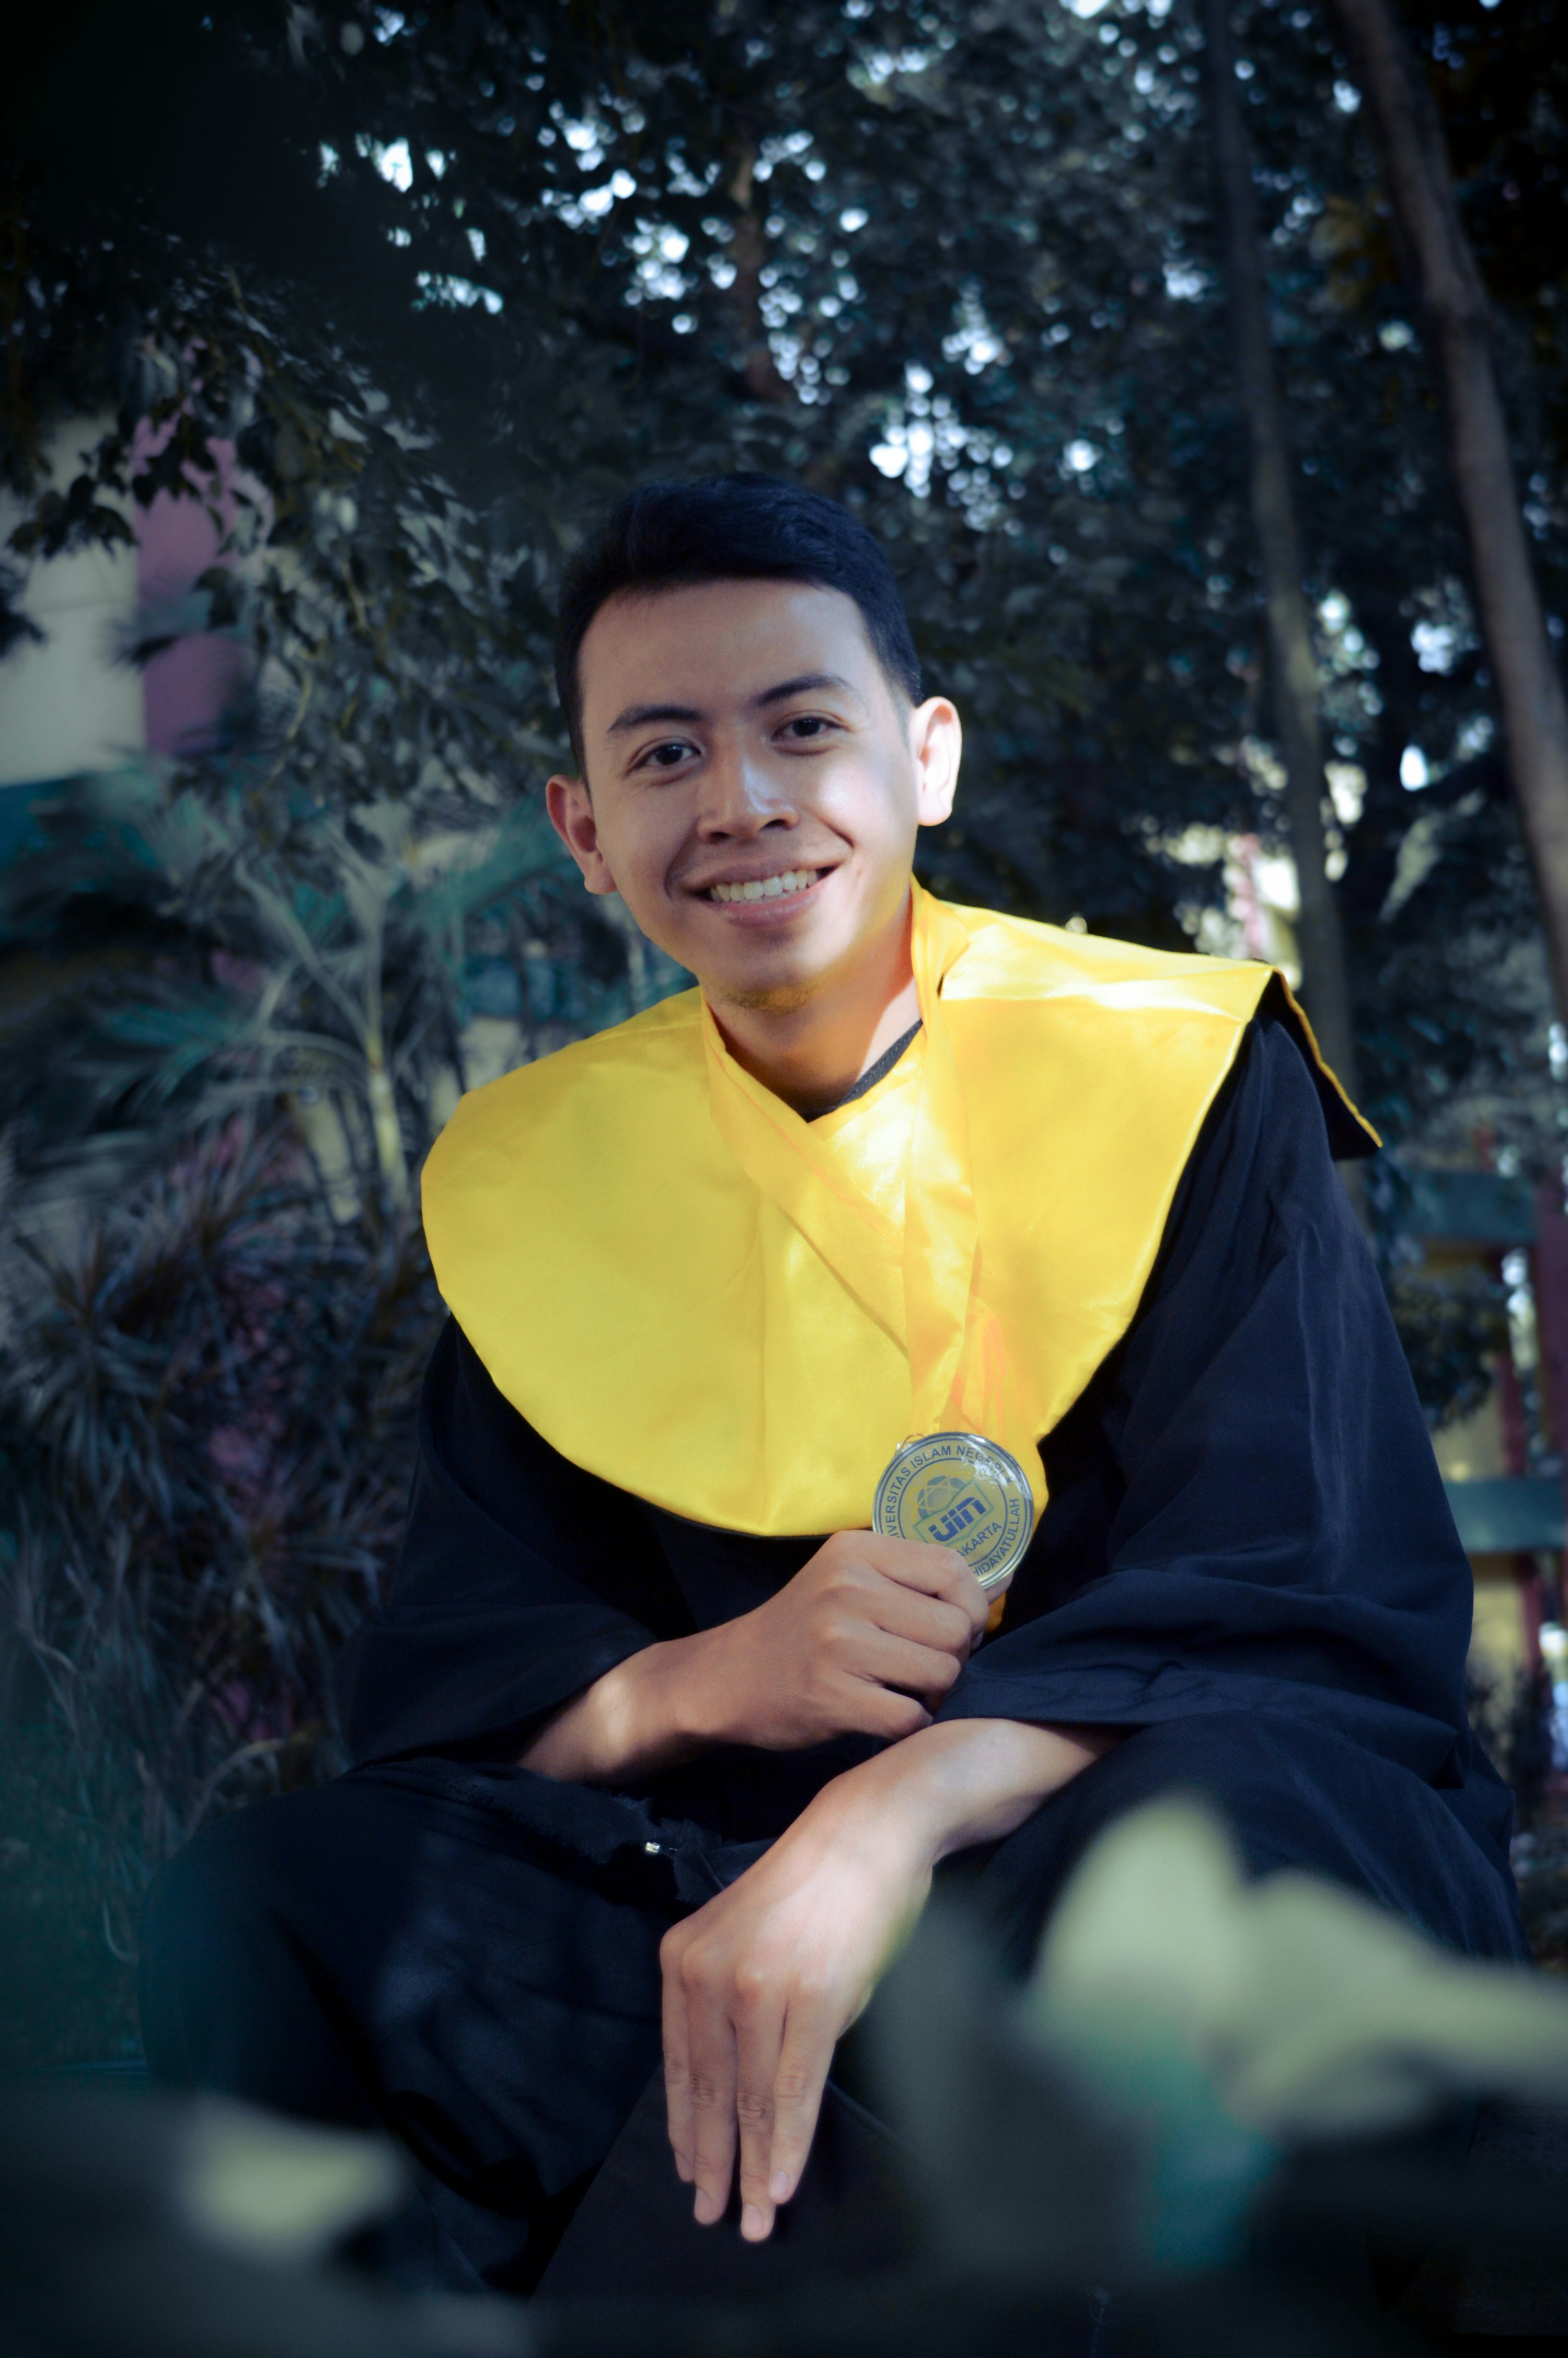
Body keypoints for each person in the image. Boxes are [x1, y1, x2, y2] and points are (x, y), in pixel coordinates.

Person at [141, 473, 1527, 2296]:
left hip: (1115, 1829)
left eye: (803, 728)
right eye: (665, 754)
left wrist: (891, 1812)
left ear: (925, 756)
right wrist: (718, 1677)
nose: (742, 801)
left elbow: (1308, 1609)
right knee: (276, 1908)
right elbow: (461, 1710)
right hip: (714, 1876)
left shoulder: (1177, 1070)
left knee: (1222, 1844)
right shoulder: (553, 1181)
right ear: (581, 827)